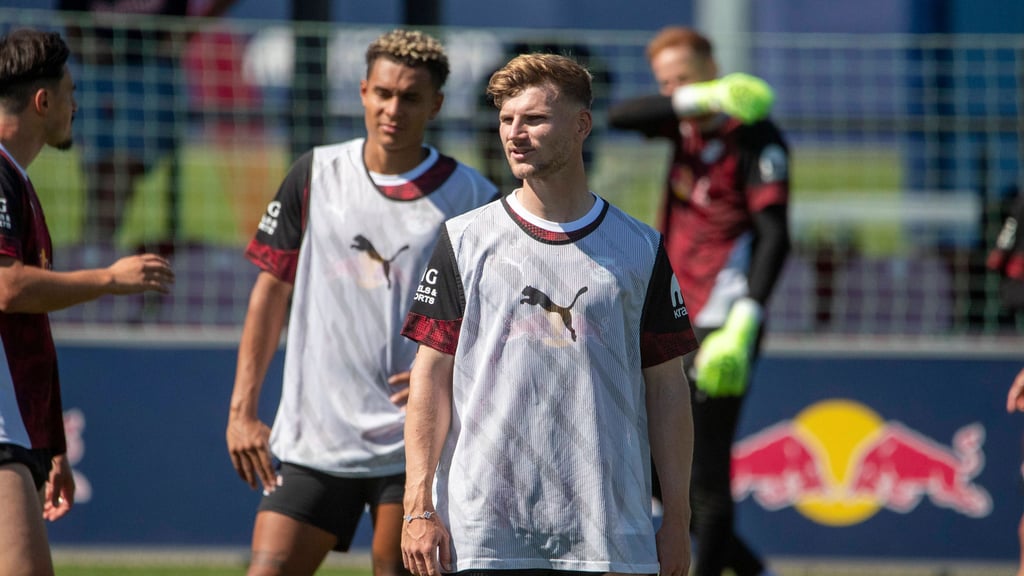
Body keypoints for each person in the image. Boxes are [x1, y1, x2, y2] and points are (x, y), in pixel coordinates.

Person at [400, 53, 697, 576]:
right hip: (483, 533)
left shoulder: (640, 248)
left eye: (534, 119)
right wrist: (418, 505)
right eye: (506, 119)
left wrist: (677, 518)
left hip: (606, 534)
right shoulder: (464, 239)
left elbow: (667, 388)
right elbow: (430, 376)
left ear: (582, 125)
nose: (515, 134)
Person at [225, 29, 498, 576]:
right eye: (383, 93)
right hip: (315, 438)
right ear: (363, 92)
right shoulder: (315, 173)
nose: (393, 109)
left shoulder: (472, 196)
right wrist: (242, 412)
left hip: (416, 442)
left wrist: (451, 376)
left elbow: (495, 317)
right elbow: (270, 293)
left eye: (411, 97)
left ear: (436, 104)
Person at [608, 27, 789, 576]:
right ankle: (753, 570)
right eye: (667, 84)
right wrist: (696, 98)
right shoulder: (683, 123)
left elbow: (776, 236)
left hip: (722, 323)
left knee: (704, 472)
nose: (674, 92)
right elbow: (620, 117)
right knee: (653, 466)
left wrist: (745, 322)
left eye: (685, 78)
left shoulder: (755, 135)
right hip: (669, 315)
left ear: (713, 66)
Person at [0, 29, 174, 576]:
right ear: (42, 102)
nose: (77, 106)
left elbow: (26, 330)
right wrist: (109, 279)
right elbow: (8, 288)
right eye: (71, 94)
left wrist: (51, 444)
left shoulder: (17, 181)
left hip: (18, 432)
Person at [58, 0, 237, 252]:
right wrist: (80, 39)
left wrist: (186, 31)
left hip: (152, 68)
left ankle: (93, 252)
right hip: (97, 67)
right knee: (99, 175)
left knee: (119, 171)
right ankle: (93, 254)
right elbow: (68, 12)